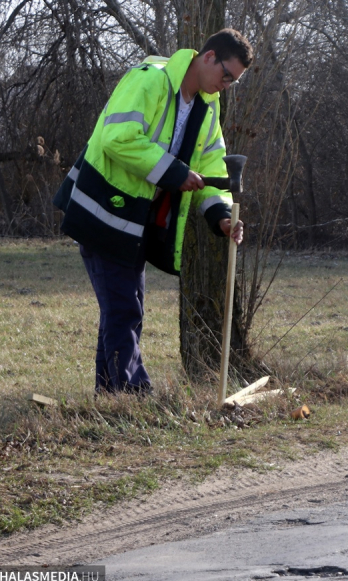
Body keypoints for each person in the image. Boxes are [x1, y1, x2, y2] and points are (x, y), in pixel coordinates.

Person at [53, 29, 253, 395]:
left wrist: (220, 217)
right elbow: (118, 138)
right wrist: (175, 173)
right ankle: (132, 395)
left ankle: (112, 397)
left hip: (137, 220)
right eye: (226, 75)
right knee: (125, 308)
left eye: (233, 82)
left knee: (124, 308)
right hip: (102, 210)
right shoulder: (150, 79)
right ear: (208, 57)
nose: (226, 85)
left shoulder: (207, 107)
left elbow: (211, 164)